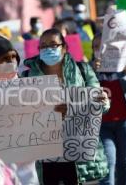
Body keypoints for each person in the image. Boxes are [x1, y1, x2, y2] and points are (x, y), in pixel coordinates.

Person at [22, 29, 109, 185]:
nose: (48, 49)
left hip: (77, 150)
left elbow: (100, 105)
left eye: (53, 44)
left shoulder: (83, 70)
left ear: (64, 47)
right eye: (43, 45)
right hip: (46, 151)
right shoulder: (27, 77)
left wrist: (101, 102)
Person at [0, 34, 39, 184]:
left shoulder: (31, 88)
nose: (11, 62)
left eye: (13, 57)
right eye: (4, 59)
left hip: (26, 173)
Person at [92, 33, 126, 185]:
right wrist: (92, 71)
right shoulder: (88, 69)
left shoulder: (124, 65)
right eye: (96, 47)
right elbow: (81, 91)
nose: (100, 50)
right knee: (107, 162)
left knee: (124, 162)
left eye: (103, 47)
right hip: (102, 125)